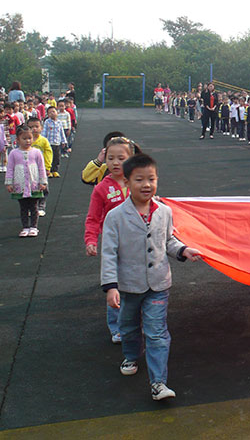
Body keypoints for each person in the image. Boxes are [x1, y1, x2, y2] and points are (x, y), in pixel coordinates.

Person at [100, 153, 204, 400]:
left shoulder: (164, 212)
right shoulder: (115, 216)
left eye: (151, 179)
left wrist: (183, 250)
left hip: (158, 284)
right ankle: (131, 355)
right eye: (139, 180)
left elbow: (168, 240)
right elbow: (109, 253)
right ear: (126, 182)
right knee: (128, 327)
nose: (146, 185)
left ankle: (159, 382)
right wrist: (111, 286)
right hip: (128, 285)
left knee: (157, 332)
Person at [85, 137, 135, 343]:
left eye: (121, 158)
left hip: (137, 242)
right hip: (113, 244)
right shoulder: (101, 189)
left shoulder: (138, 182)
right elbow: (93, 217)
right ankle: (117, 327)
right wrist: (91, 239)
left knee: (135, 284)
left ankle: (136, 321)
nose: (115, 162)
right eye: (110, 158)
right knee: (114, 285)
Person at [6, 124, 47, 238]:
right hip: (20, 184)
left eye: (30, 138)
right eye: (24, 138)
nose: (28, 141)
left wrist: (43, 181)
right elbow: (10, 168)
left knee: (34, 206)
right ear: (18, 139)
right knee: (23, 207)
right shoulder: (14, 153)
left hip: (34, 184)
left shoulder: (36, 152)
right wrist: (9, 183)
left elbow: (41, 167)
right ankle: (25, 227)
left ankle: (34, 227)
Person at [27, 118, 52, 217]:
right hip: (29, 169)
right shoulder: (26, 141)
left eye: (36, 126)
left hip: (41, 169)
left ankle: (41, 207)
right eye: (31, 127)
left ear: (41, 128)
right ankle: (32, 207)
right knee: (30, 188)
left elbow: (48, 153)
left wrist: (47, 166)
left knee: (43, 188)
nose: (34, 129)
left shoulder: (44, 141)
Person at [42, 106, 67, 178]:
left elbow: (61, 132)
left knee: (57, 158)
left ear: (57, 112)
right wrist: (43, 141)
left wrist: (64, 141)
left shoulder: (59, 122)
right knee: (49, 158)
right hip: (49, 143)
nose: (52, 113)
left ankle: (55, 171)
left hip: (57, 143)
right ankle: (49, 171)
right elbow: (44, 132)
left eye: (53, 111)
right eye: (50, 112)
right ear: (48, 115)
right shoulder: (47, 122)